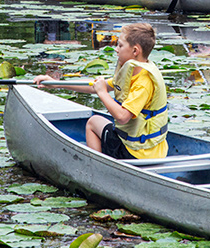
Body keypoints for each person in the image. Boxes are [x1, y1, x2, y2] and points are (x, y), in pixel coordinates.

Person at [34, 23, 168, 160]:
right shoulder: (135, 71)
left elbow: (122, 117)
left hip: (136, 153)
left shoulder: (143, 82)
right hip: (151, 148)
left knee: (93, 123)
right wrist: (56, 84)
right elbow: (94, 86)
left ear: (135, 51)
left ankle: (97, 167)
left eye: (120, 45)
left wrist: (103, 93)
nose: (116, 49)